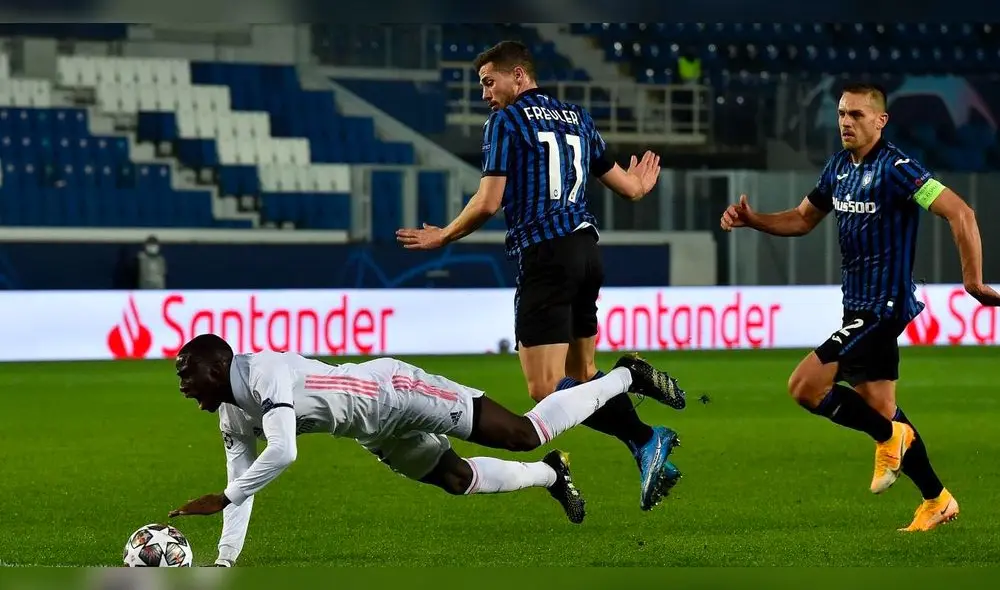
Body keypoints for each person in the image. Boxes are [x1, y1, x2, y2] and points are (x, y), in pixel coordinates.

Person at [395, 40, 681, 512]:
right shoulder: (579, 118)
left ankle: (636, 393)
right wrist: (642, 185)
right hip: (588, 250)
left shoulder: (505, 122)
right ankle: (645, 443)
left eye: (490, 82)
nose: (485, 94)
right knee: (583, 375)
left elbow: (489, 201)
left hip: (546, 256)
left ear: (520, 76)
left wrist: (444, 235)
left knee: (545, 389)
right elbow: (629, 189)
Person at [720, 81, 1000, 532]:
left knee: (804, 386)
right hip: (856, 308)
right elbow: (802, 218)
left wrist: (973, 279)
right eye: (842, 114)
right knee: (882, 405)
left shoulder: (898, 169)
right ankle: (937, 498)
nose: (846, 122)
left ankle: (888, 438)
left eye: (857, 115)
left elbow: (960, 213)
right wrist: (755, 220)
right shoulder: (837, 168)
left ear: (881, 120)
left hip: (883, 308)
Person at [166, 334, 687, 566]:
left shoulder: (265, 372)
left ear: (216, 367)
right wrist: (224, 562)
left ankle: (624, 375)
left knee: (523, 432)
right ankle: (553, 477)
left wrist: (227, 496)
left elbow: (282, 453)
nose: (184, 387)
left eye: (187, 375)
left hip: (397, 391)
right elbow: (243, 482)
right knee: (458, 480)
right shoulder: (231, 414)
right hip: (375, 432)